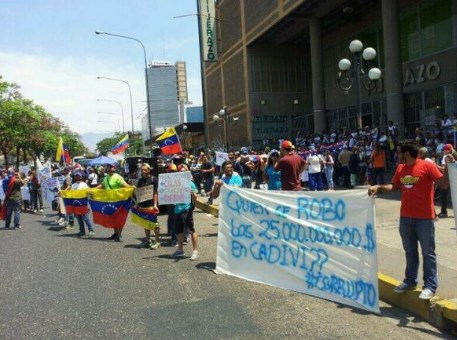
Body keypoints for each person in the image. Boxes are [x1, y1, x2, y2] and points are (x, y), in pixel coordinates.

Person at [368, 140, 452, 300]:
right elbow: (394, 187)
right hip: (405, 218)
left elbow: (444, 184)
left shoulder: (427, 166)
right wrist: (378, 187)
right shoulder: (401, 168)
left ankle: (430, 286)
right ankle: (410, 281)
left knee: (428, 253)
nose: (397, 155)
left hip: (425, 219)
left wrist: (448, 167)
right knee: (410, 251)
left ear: (406, 153)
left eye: (399, 152)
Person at [96, 164, 131, 242]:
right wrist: (92, 189)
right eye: (109, 168)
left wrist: (131, 187)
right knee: (113, 218)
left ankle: (119, 234)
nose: (111, 169)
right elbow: (102, 185)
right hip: (111, 201)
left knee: (120, 218)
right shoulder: (106, 178)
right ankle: (115, 233)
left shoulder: (118, 177)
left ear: (114, 169)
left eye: (112, 168)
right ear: (107, 169)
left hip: (120, 201)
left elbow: (124, 185)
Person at [171, 167, 199, 261]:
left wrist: (193, 194)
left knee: (191, 230)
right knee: (179, 231)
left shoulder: (190, 183)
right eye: (181, 172)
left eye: (184, 171)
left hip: (187, 209)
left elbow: (196, 198)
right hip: (177, 209)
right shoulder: (175, 183)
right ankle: (180, 250)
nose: (182, 173)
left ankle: (195, 251)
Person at [135, 163, 160, 249]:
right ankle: (148, 240)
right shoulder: (140, 180)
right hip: (143, 205)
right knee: (145, 223)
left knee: (154, 223)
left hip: (151, 205)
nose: (143, 171)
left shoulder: (153, 179)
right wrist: (137, 204)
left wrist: (155, 205)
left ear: (149, 170)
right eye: (142, 170)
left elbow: (156, 193)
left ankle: (157, 241)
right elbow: (139, 193)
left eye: (145, 170)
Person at [69, 170, 95, 237]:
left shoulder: (84, 184)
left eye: (78, 176)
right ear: (75, 177)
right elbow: (71, 194)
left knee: (85, 218)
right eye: (76, 176)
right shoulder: (73, 185)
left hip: (83, 204)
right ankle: (82, 231)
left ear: (81, 177)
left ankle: (91, 230)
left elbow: (89, 193)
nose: (77, 177)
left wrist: (88, 205)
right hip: (76, 204)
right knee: (79, 219)